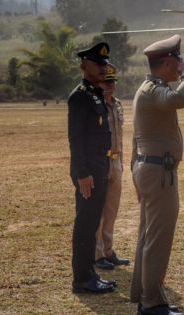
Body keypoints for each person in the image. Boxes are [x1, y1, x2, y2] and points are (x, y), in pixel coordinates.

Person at [130, 35, 184, 315]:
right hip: (158, 172)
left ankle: (141, 293)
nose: (180, 66)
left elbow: (135, 138)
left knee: (148, 235)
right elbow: (180, 98)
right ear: (168, 62)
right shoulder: (154, 90)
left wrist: (136, 172)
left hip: (151, 169)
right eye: (178, 61)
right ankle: (153, 304)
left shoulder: (148, 88)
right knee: (158, 239)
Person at [67, 42, 116, 294]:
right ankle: (82, 279)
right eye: (98, 63)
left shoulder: (95, 93)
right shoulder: (79, 97)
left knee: (93, 220)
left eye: (105, 63)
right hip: (89, 172)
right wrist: (82, 173)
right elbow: (75, 139)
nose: (103, 67)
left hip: (99, 167)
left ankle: (89, 273)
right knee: (86, 223)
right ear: (84, 65)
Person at [94, 63, 130, 270]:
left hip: (116, 162)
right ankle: (97, 254)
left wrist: (122, 162)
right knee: (98, 211)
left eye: (112, 82)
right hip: (100, 163)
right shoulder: (95, 106)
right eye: (106, 82)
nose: (110, 86)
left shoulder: (117, 105)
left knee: (112, 210)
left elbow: (120, 136)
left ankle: (108, 250)